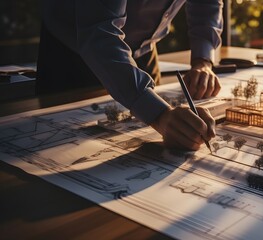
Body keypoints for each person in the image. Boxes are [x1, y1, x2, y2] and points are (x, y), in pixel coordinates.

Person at [36, 0, 223, 150]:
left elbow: (207, 3)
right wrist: (160, 115)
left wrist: (203, 61)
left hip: (144, 48)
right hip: (73, 52)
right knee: (57, 148)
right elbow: (100, 34)